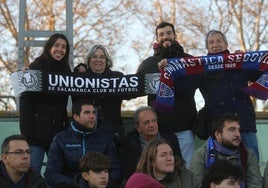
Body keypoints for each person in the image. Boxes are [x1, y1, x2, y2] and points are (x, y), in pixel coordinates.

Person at [136, 21, 198, 168]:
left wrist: (172, 73)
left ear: (175, 36)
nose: (165, 37)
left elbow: (192, 87)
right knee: (160, 167)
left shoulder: (188, 60)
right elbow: (135, 88)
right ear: (157, 39)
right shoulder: (148, 64)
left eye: (168, 33)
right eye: (161, 34)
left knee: (186, 168)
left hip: (184, 127)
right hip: (159, 129)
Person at [199, 30, 263, 160]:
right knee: (223, 170)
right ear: (207, 47)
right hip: (219, 128)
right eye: (211, 42)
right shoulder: (201, 68)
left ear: (226, 44)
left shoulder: (240, 62)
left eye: (218, 41)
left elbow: (260, 77)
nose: (215, 44)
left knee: (251, 163)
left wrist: (248, 60)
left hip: (244, 123)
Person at [19, 33, 71, 173]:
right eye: (56, 45)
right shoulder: (36, 66)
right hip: (36, 135)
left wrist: (81, 69)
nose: (60, 49)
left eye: (64, 47)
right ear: (49, 47)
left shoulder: (66, 70)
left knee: (58, 173)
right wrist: (26, 134)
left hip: (58, 133)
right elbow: (26, 102)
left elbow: (78, 86)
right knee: (32, 173)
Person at [44, 99, 123, 188]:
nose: (92, 116)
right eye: (87, 112)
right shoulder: (61, 138)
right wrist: (77, 183)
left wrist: (98, 182)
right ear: (76, 117)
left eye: (93, 113)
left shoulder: (105, 138)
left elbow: (117, 171)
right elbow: (51, 174)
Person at [72, 44, 129, 147]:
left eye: (102, 57)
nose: (98, 60)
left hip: (113, 134)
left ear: (107, 61)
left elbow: (131, 93)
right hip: (86, 134)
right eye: (94, 56)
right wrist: (78, 74)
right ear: (88, 60)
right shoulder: (80, 78)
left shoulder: (117, 77)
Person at [190, 113, 262, 188]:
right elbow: (196, 185)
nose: (238, 134)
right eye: (232, 130)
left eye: (239, 130)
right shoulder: (201, 154)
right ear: (218, 135)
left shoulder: (248, 154)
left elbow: (255, 184)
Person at [121, 106, 183, 180]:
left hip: (169, 179)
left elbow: (179, 162)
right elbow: (130, 171)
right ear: (138, 128)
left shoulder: (170, 137)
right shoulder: (130, 142)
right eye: (146, 122)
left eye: (153, 121)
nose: (151, 125)